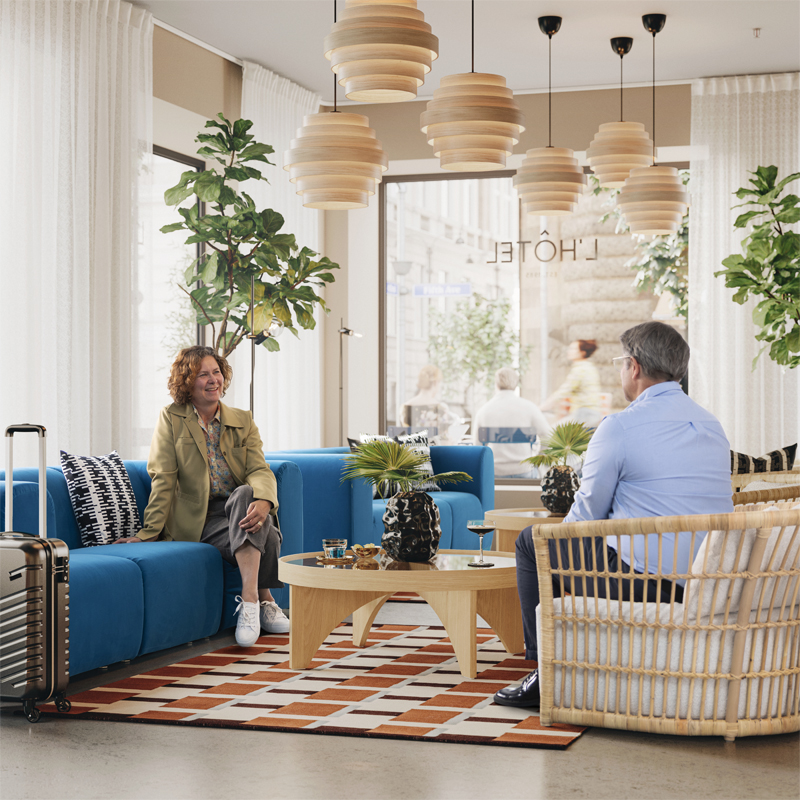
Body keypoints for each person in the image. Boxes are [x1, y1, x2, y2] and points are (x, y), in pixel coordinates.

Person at [494, 321, 734, 708]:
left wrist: (556, 545)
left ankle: (546, 671)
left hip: (647, 584)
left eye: (622, 362)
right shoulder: (712, 424)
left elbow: (584, 517)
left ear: (634, 367)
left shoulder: (620, 426)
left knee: (531, 542)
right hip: (707, 578)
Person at [116, 346, 289, 648]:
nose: (213, 380)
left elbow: (259, 469)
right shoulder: (172, 418)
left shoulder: (242, 419)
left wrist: (264, 501)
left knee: (247, 493)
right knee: (269, 534)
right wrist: (148, 533)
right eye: (203, 375)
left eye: (217, 372)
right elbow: (163, 477)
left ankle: (248, 603)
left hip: (239, 505)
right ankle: (264, 600)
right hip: (201, 517)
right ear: (187, 382)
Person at [473, 367, 552, 478]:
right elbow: (548, 436)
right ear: (516, 385)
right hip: (524, 471)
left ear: (496, 384)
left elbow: (477, 447)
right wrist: (538, 458)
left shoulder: (483, 410)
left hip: (494, 473)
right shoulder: (530, 408)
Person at [540, 339, 603, 428]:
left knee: (551, 434)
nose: (568, 351)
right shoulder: (590, 367)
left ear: (582, 353)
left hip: (584, 415)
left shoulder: (580, 370)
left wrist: (541, 408)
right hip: (592, 414)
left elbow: (562, 392)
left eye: (573, 349)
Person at [399, 364, 459, 442]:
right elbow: (444, 440)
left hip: (411, 453)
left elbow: (404, 438)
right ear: (435, 382)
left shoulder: (405, 407)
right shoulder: (441, 408)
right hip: (434, 453)